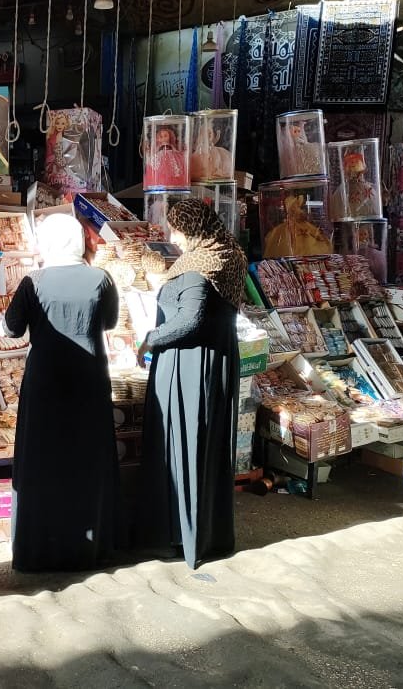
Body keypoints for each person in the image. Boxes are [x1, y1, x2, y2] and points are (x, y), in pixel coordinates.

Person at [3, 213, 119, 572]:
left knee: (42, 460)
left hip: (46, 381)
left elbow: (11, 329)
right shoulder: (101, 278)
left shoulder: (33, 281)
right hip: (89, 378)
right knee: (87, 458)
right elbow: (110, 322)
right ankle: (89, 550)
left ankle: (39, 550)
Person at [137, 199, 246, 570]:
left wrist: (150, 339)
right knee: (206, 448)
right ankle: (206, 533)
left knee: (184, 444)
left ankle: (179, 535)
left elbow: (190, 320)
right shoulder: (227, 254)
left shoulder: (199, 266)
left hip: (190, 366)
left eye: (177, 230)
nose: (173, 237)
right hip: (215, 363)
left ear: (193, 230)